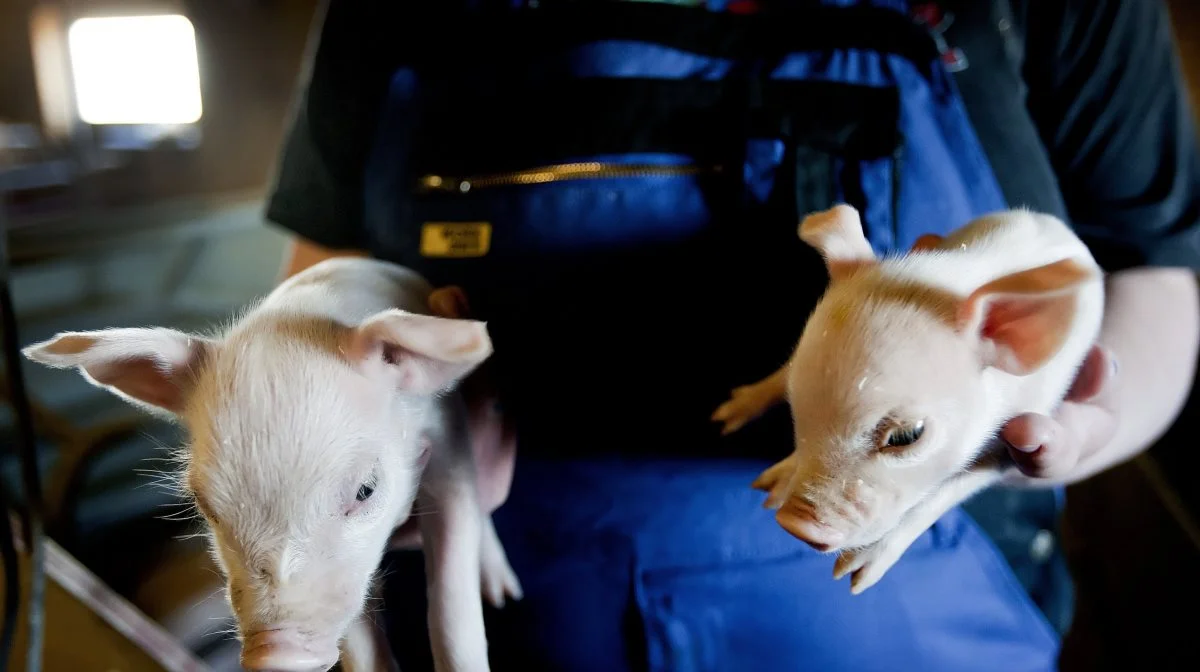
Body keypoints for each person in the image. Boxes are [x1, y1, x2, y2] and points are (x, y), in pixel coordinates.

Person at [265, 0, 1200, 669]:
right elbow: (319, 293)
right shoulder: (380, 14)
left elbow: (1151, 269)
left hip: (928, 609)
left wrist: (1072, 425)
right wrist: (379, 431)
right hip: (506, 592)